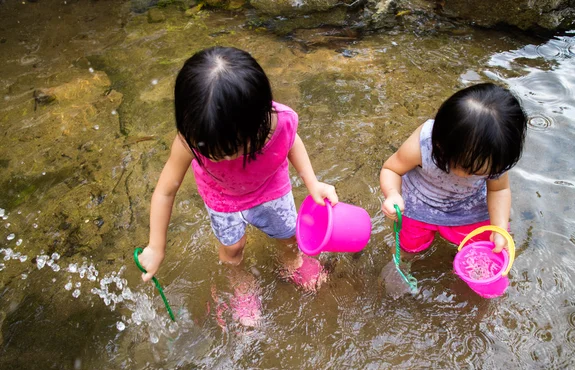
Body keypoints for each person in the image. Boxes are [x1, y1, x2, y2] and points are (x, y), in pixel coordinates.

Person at [137, 46, 338, 326]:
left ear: (259, 123)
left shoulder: (279, 123)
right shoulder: (189, 140)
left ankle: (291, 262)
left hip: (271, 191)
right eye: (211, 152)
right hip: (221, 200)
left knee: (288, 234)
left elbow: (293, 143)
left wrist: (312, 182)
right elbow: (165, 191)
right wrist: (156, 246)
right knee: (232, 249)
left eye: (232, 149)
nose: (225, 158)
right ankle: (240, 282)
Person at [380, 83, 526, 253]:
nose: (471, 175)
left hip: (467, 207)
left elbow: (499, 190)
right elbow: (391, 169)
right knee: (409, 249)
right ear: (441, 145)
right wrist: (393, 195)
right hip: (419, 205)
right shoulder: (424, 144)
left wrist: (499, 227)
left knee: (492, 248)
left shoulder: (495, 153)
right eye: (468, 168)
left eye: (484, 171)